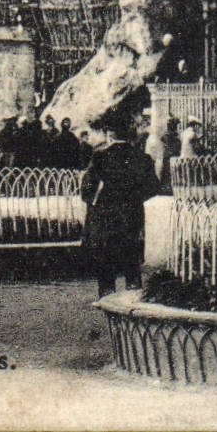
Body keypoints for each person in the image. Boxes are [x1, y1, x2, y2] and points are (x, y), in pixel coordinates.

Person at [80, 109, 159, 297]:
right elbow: (154, 186)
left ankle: (107, 297)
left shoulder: (100, 157)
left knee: (106, 257)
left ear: (110, 134)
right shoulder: (141, 157)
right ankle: (133, 296)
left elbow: (87, 189)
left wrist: (95, 203)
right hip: (132, 212)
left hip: (107, 214)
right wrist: (135, 198)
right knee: (131, 256)